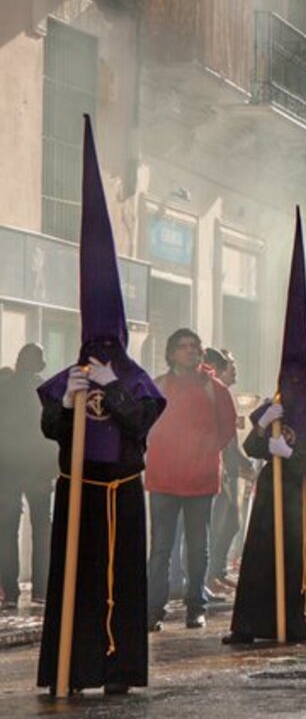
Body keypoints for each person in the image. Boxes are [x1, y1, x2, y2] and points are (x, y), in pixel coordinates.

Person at [37, 117, 167, 694]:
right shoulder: (69, 376)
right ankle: (72, 667)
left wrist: (113, 387)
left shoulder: (138, 381)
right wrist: (65, 402)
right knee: (76, 584)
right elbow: (52, 432)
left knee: (118, 584)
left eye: (109, 344)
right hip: (77, 493)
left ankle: (117, 670)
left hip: (121, 493)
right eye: (95, 346)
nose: (100, 352)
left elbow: (140, 426)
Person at [224, 212, 306, 645]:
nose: (292, 386)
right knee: (261, 556)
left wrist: (292, 455)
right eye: (286, 378)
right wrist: (263, 430)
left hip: (305, 497)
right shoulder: (272, 405)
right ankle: (253, 623)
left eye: (298, 379)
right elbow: (254, 447)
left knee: (301, 558)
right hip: (273, 495)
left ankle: (303, 621)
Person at [144, 329, 237, 632]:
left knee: (198, 547)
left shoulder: (216, 389)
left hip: (201, 481)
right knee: (160, 547)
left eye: (194, 347)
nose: (190, 351)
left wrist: (204, 451)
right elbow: (144, 425)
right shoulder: (157, 387)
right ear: (171, 353)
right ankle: (153, 609)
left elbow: (226, 430)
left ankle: (196, 606)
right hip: (163, 480)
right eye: (183, 347)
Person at [0, 344, 55, 608]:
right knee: (42, 530)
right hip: (39, 472)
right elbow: (55, 431)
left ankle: (10, 591)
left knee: (7, 530)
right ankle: (41, 590)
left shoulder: (4, 388)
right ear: (40, 365)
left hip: (7, 469)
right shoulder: (46, 390)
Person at [203, 348, 251, 597]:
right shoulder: (210, 394)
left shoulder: (224, 395)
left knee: (231, 521)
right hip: (215, 471)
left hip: (228, 470)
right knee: (218, 524)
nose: (235, 375)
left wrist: (244, 464)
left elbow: (232, 437)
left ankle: (217, 572)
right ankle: (209, 576)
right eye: (232, 369)